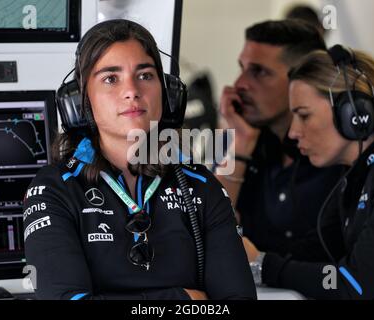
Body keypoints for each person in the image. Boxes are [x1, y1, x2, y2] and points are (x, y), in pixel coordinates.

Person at [23, 19, 257, 300]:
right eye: (111, 78)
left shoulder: (201, 186)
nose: (132, 90)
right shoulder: (53, 190)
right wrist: (182, 298)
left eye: (145, 75)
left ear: (168, 93)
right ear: (82, 101)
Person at [250, 44, 374, 299]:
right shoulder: (358, 174)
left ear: (354, 114)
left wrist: (263, 266)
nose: (293, 132)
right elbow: (314, 250)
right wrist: (242, 253)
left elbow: (352, 282)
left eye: (304, 115)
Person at [216, 20, 343, 256]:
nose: (239, 84)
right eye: (242, 68)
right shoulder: (240, 140)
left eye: (259, 71)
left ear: (304, 78)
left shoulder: (338, 154)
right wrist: (242, 143)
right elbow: (204, 228)